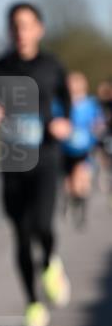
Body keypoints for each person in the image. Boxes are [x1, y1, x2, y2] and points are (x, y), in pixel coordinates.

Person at [0, 2, 71, 326]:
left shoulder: (52, 66)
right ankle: (32, 303)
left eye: (27, 25)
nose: (21, 32)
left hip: (46, 157)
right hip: (12, 160)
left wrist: (63, 123)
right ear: (9, 31)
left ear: (39, 29)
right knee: (20, 234)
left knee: (43, 225)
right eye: (15, 26)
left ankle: (49, 262)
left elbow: (68, 105)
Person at [58, 72, 104, 228]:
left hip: (84, 149)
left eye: (77, 84)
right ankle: (70, 201)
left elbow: (99, 123)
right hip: (65, 150)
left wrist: (97, 130)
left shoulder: (91, 104)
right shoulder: (61, 103)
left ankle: (81, 210)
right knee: (68, 184)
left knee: (81, 183)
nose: (73, 87)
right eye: (70, 84)